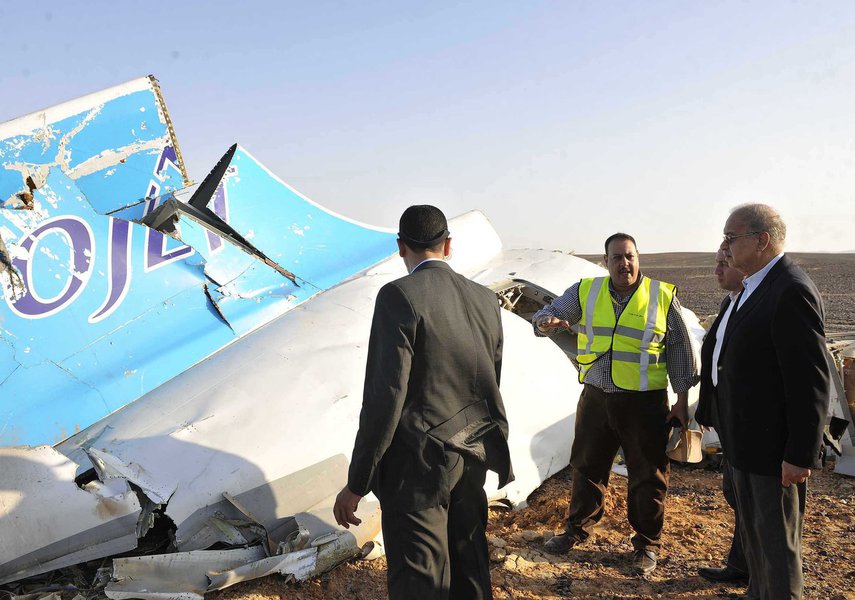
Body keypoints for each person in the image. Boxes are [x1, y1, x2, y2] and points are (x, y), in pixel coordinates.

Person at [333, 205, 513, 600]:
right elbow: (491, 378)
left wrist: (357, 482)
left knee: (421, 580)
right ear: (448, 245)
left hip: (419, 467)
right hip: (473, 455)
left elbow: (385, 397)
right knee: (470, 572)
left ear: (401, 247)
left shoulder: (399, 295)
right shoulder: (485, 299)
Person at [532, 233, 697, 575]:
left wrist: (681, 401)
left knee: (648, 473)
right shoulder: (586, 291)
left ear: (638, 258)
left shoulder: (661, 296)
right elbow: (550, 312)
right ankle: (577, 529)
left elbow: (680, 349)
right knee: (587, 466)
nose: (625, 264)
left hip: (644, 402)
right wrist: (545, 322)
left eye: (630, 256)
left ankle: (647, 544)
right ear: (606, 261)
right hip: (596, 397)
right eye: (617, 258)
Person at [710, 203, 830, 599]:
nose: (725, 246)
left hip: (771, 452)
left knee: (776, 547)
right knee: (756, 539)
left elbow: (810, 380)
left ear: (761, 240)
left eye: (731, 237)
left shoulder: (790, 290)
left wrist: (800, 453)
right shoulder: (753, 288)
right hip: (746, 444)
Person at [695, 249, 749, 585]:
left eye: (723, 264)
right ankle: (742, 565)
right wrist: (707, 407)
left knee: (750, 501)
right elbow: (715, 358)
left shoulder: (756, 304)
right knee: (736, 493)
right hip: (730, 418)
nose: (717, 270)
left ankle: (756, 573)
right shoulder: (731, 303)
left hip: (750, 422)